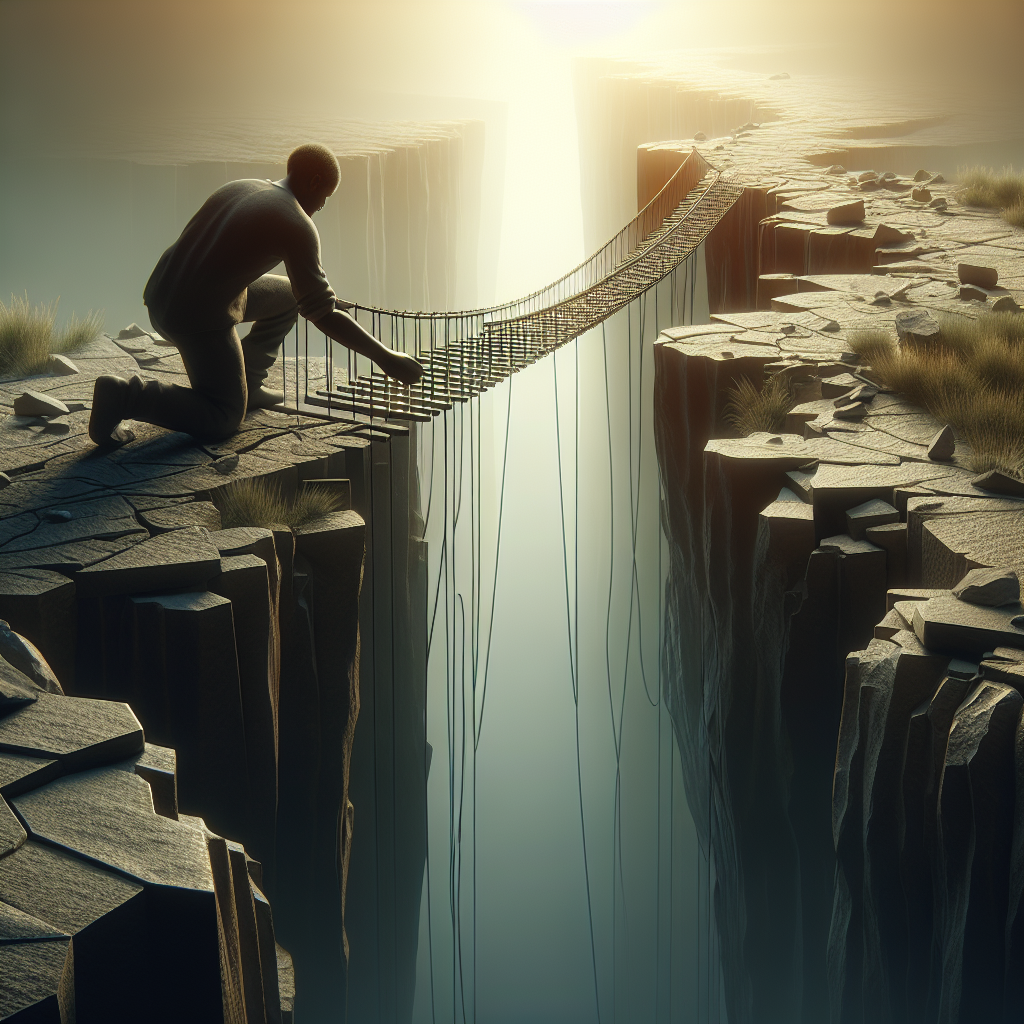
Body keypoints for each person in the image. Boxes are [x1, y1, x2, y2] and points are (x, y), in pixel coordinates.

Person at [89, 142, 423, 446]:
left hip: (165, 290)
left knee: (290, 296)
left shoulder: (243, 185)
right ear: (313, 180)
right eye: (325, 196)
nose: (322, 205)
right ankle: (125, 396)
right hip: (194, 316)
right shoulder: (297, 224)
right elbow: (321, 314)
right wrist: (387, 359)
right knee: (224, 417)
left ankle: (249, 380)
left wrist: (322, 298)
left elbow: (307, 295)